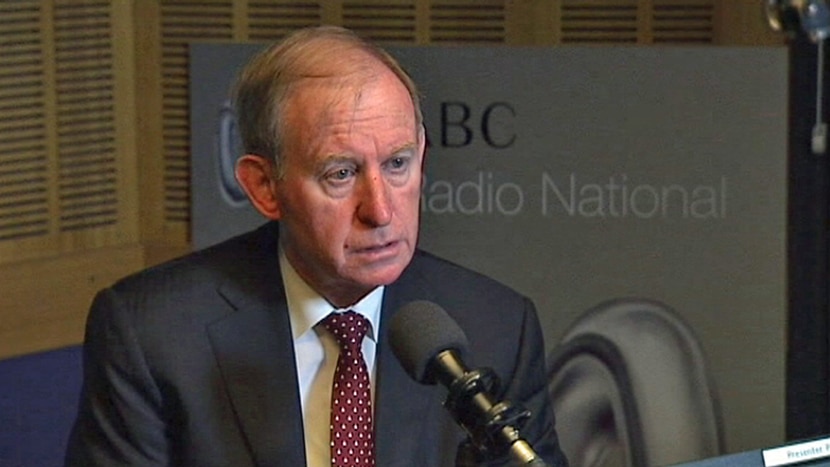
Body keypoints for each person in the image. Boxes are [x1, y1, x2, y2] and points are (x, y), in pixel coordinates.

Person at [64, 25, 568, 467]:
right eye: (341, 173)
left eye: (397, 164)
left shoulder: (496, 326)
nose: (381, 211)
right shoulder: (152, 334)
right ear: (264, 186)